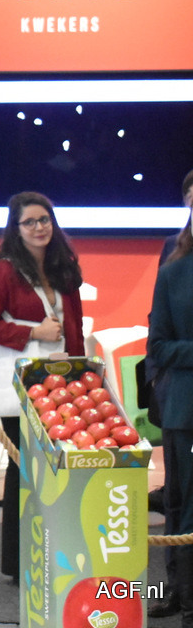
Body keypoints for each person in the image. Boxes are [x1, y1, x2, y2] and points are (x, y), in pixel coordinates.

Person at [0, 191, 84, 579]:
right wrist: (34, 332)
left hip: (60, 384)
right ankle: (19, 562)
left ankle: (55, 552)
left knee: (55, 467)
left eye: (44, 220)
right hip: (21, 386)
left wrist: (80, 376)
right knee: (23, 467)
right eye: (30, 222)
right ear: (16, 228)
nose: (39, 227)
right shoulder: (4, 270)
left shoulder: (63, 266)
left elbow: (74, 326)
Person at [147, 168, 193, 618]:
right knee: (177, 502)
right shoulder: (174, 263)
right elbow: (157, 340)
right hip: (182, 402)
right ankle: (175, 593)